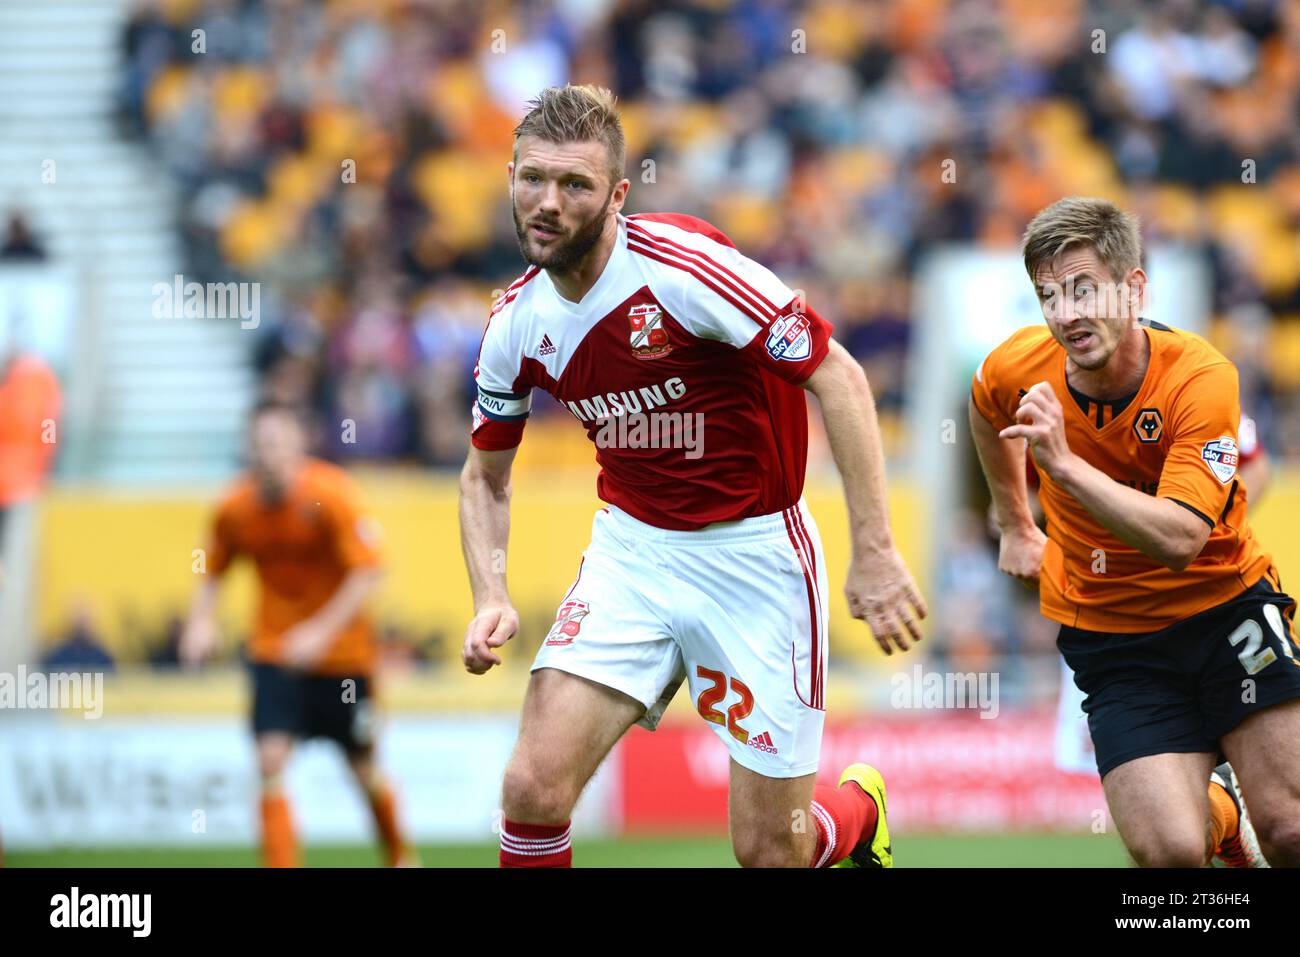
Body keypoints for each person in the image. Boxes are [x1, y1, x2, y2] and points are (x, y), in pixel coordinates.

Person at [459, 84, 926, 869]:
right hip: (633, 555)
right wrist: (491, 592)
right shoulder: (514, 322)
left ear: (615, 196)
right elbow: (484, 478)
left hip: (756, 555)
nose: (547, 202)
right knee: (532, 789)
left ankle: (855, 809)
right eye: (532, 178)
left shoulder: (686, 271)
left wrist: (873, 549)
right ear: (508, 175)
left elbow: (838, 377)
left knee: (771, 850)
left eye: (573, 185)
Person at [970, 196, 1300, 867]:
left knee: (1291, 829)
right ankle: (1223, 815)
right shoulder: (1018, 365)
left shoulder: (1201, 377)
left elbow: (1180, 539)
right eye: (1048, 295)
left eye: (1084, 289)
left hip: (1225, 611)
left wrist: (1060, 466)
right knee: (1171, 856)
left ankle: (1249, 812)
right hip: (1113, 638)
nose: (1065, 314)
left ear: (1133, 287)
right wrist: (1014, 520)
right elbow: (984, 405)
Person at [181, 400, 413, 867]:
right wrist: (200, 621)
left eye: (277, 443)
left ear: (298, 444)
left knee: (364, 770)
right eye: (260, 444)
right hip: (275, 654)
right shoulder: (234, 508)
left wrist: (320, 633)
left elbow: (368, 572)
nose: (269, 454)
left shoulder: (332, 494)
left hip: (344, 661)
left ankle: (400, 857)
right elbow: (212, 567)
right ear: (248, 450)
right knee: (270, 762)